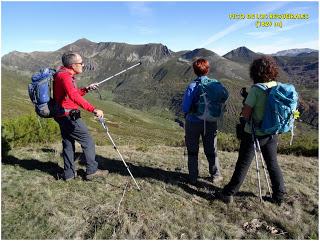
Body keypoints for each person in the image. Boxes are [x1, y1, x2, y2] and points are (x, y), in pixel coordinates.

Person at [220, 56, 286, 205]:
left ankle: (228, 192)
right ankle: (279, 195)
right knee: (273, 164)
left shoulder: (256, 90)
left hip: (254, 134)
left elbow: (246, 114)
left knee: (242, 164)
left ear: (255, 72)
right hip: (272, 132)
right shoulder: (276, 86)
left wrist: (246, 104)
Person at [53, 51, 106, 181]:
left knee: (67, 143)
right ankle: (92, 171)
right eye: (81, 63)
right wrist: (93, 109)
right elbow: (73, 96)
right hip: (69, 116)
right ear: (72, 65)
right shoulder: (65, 77)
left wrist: (87, 89)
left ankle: (69, 173)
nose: (83, 65)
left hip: (61, 115)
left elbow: (71, 93)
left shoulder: (62, 74)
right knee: (88, 142)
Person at [182, 58, 223, 185]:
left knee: (193, 151)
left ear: (194, 71)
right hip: (210, 121)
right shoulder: (215, 84)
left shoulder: (192, 86)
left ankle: (193, 177)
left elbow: (185, 107)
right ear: (207, 69)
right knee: (211, 149)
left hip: (193, 122)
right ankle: (216, 175)